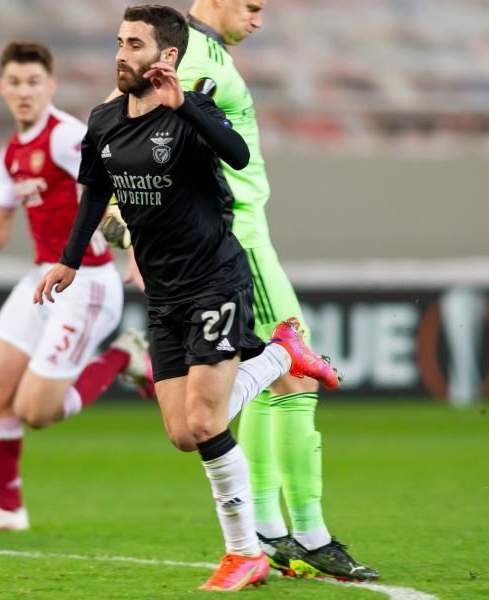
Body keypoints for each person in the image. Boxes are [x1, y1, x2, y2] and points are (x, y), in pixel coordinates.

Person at [33, 6, 339, 591]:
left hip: (214, 278)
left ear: (166, 58)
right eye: (119, 42)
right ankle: (282, 353)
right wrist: (69, 258)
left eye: (135, 45)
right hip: (165, 292)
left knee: (205, 418)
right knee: (182, 433)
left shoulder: (192, 112)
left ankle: (245, 551)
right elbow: (95, 193)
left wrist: (188, 107)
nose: (121, 54)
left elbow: (239, 155)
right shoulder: (102, 121)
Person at [100, 0, 379, 581]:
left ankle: (267, 529)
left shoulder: (203, 51)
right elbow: (131, 133)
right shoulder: (190, 54)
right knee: (295, 371)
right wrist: (130, 234)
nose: (258, 18)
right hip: (234, 239)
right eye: (252, 5)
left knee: (251, 386)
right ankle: (308, 533)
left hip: (235, 235)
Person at [0, 41, 150, 534]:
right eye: (15, 82)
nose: (24, 92)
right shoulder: (12, 153)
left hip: (87, 282)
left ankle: (124, 355)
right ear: (3, 87)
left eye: (34, 82)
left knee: (35, 412)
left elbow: (113, 196)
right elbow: (0, 227)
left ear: (50, 87)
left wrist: (136, 250)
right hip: (43, 276)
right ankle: (8, 508)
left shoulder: (66, 137)